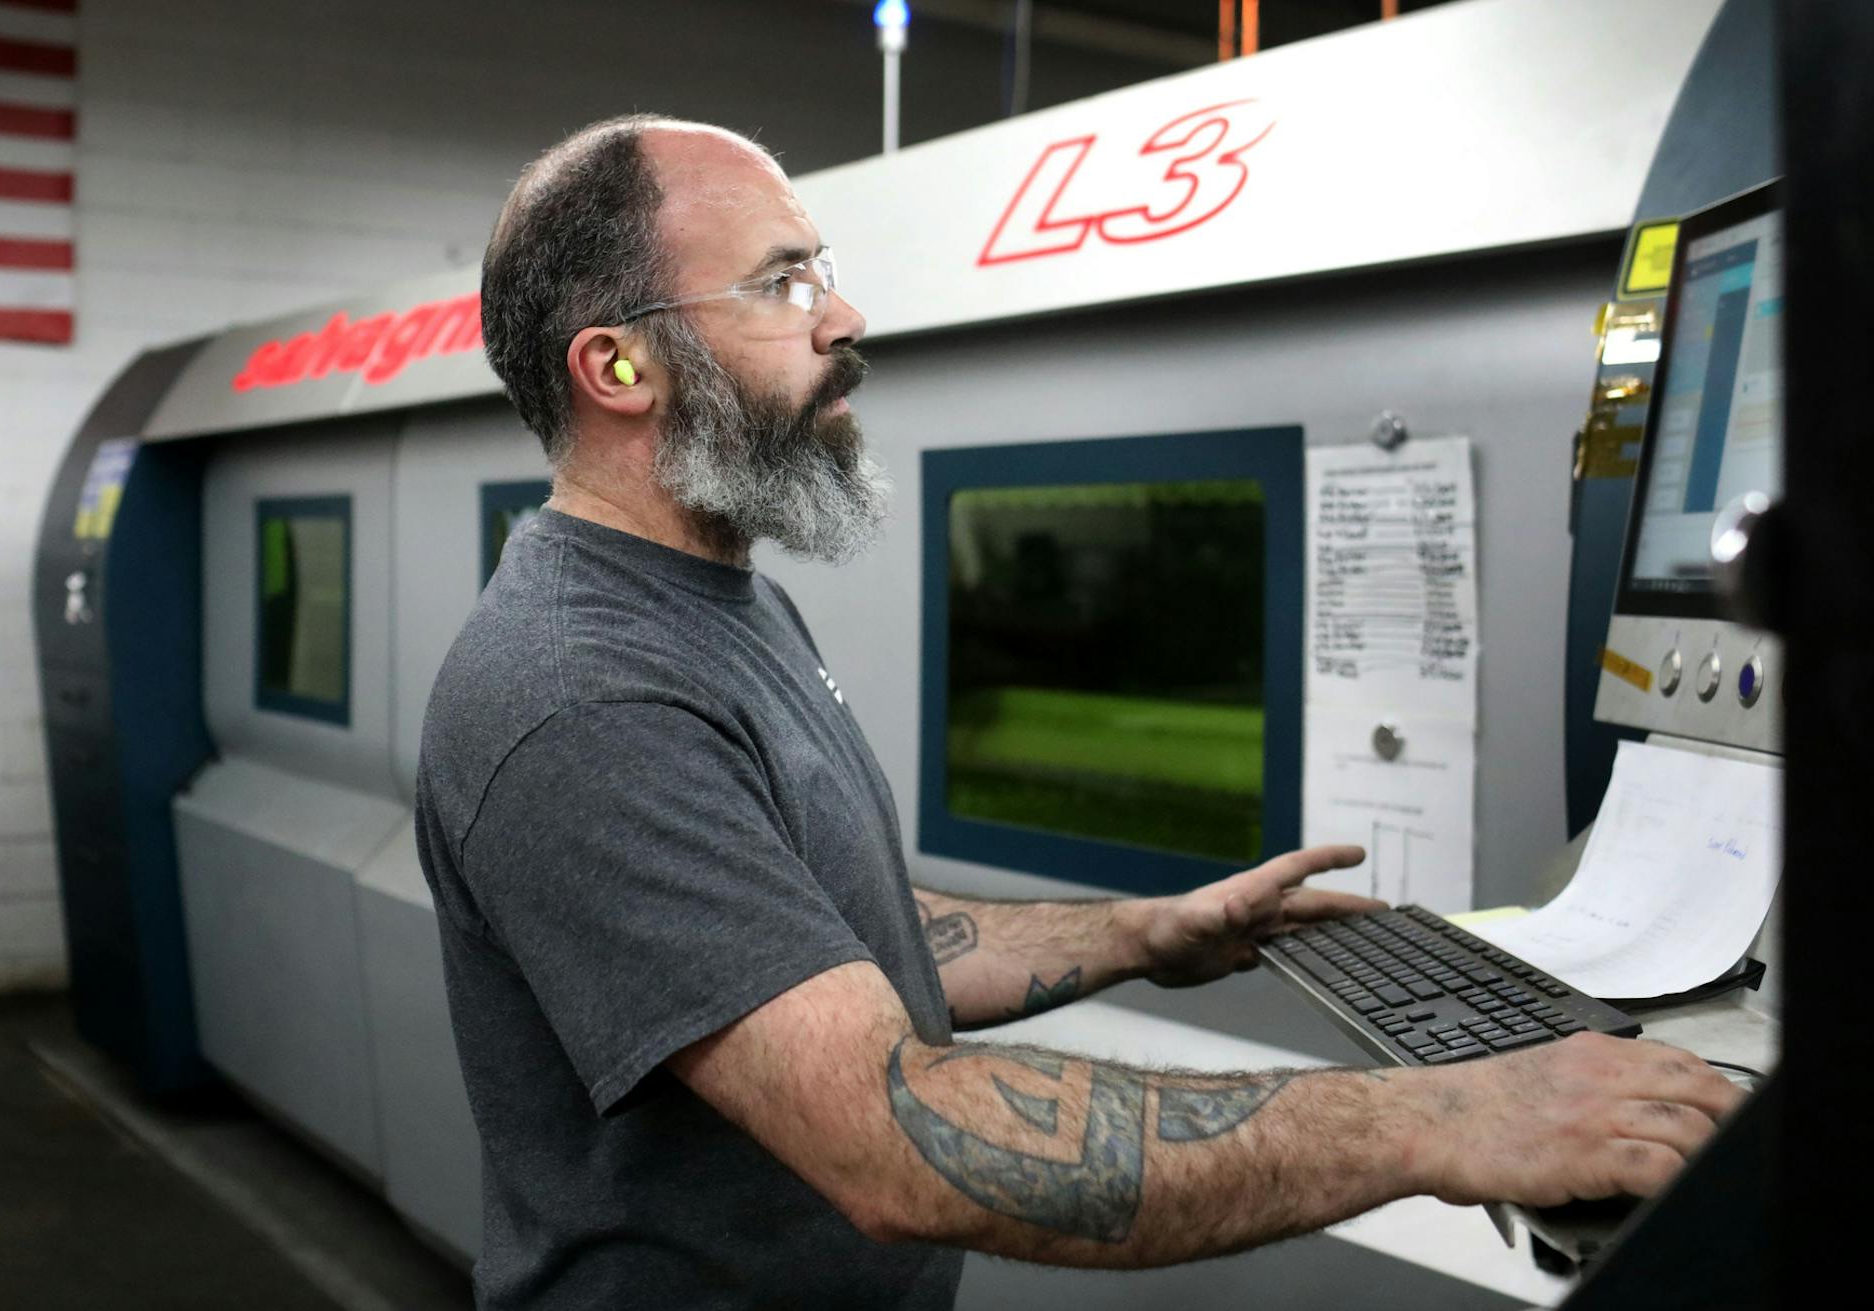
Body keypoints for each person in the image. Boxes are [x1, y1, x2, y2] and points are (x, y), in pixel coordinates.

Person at [415, 114, 1746, 1309]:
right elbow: (894, 1142)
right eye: (783, 283)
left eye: (823, 271)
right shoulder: (582, 693)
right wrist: (1445, 1120)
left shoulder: (725, 606)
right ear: (619, 367)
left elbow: (824, 938)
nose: (844, 318)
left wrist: (1141, 933)